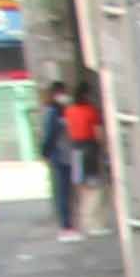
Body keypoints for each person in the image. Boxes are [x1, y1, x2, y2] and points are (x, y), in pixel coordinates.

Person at [47, 68, 102, 236]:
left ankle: (81, 222)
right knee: (93, 186)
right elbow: (98, 132)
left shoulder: (67, 112)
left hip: (74, 151)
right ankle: (91, 223)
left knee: (79, 187)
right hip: (88, 149)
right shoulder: (89, 111)